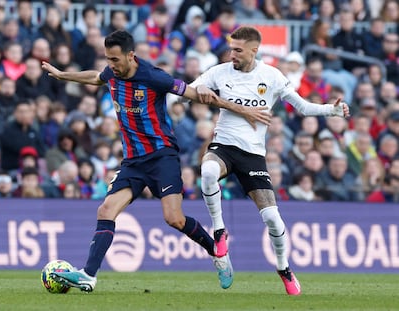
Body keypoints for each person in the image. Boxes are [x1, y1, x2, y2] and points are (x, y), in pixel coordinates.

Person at [41, 30, 271, 292]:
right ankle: (89, 275)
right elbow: (95, 77)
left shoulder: (154, 77)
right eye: (108, 59)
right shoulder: (111, 73)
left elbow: (195, 95)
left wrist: (244, 110)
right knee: (105, 210)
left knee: (174, 219)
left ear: (130, 55)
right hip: (133, 162)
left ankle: (217, 253)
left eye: (115, 59)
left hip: (162, 156)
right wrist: (62, 74)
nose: (111, 65)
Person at [191, 26, 350, 295]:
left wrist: (330, 110)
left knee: (274, 219)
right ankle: (219, 231)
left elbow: (301, 107)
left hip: (253, 154)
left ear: (254, 50)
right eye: (231, 48)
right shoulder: (220, 71)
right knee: (207, 171)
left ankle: (284, 268)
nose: (232, 54)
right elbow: (191, 89)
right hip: (224, 146)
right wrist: (203, 88)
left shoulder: (272, 76)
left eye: (238, 50)